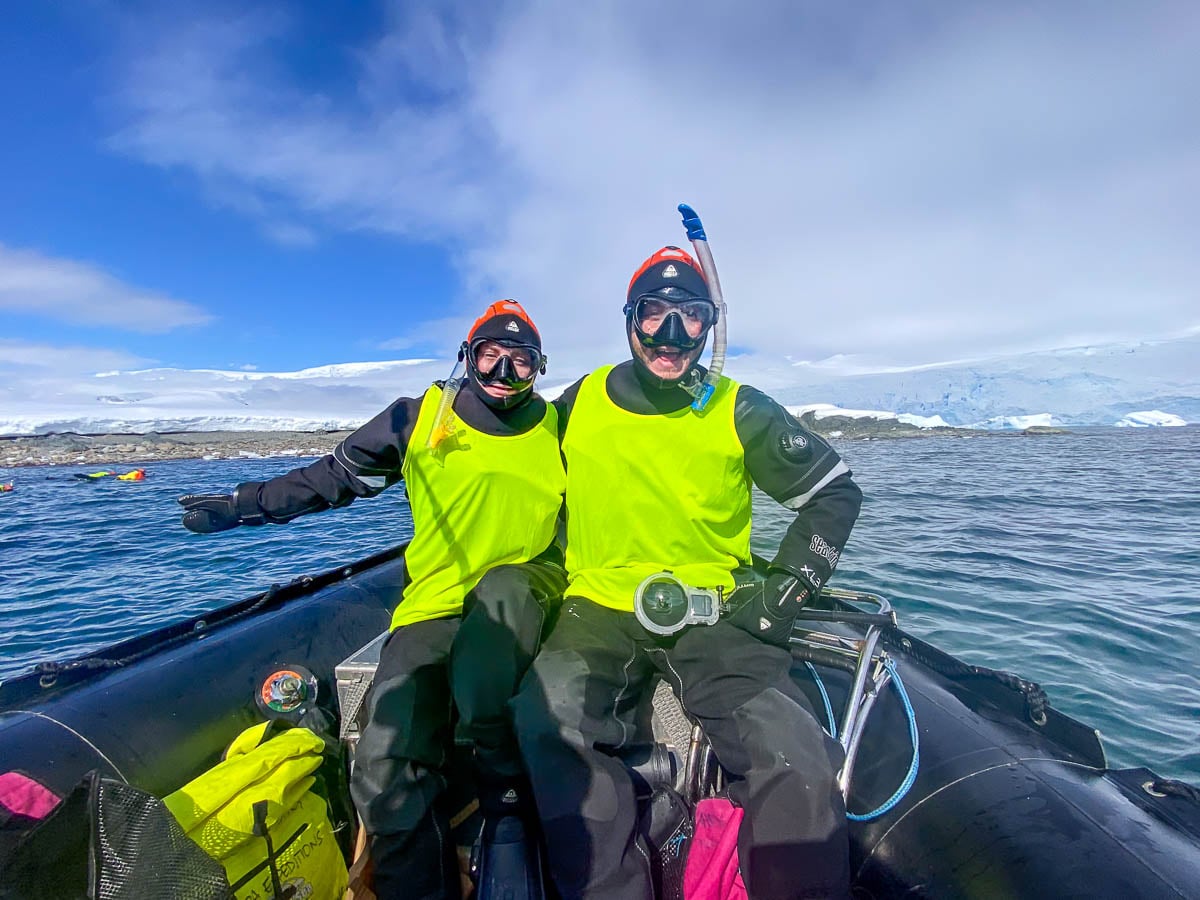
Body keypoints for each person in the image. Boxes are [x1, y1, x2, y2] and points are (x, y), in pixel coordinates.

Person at [178, 300, 566, 900]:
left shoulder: (559, 426)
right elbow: (332, 479)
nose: (505, 372)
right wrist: (245, 504)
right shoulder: (420, 419)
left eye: (521, 362)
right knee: (386, 757)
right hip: (435, 605)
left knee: (502, 609)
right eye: (491, 355)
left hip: (529, 597)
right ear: (467, 357)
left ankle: (511, 810)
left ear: (539, 368)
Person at [512, 246, 863, 899]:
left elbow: (834, 493)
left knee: (794, 756)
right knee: (547, 723)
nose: (671, 336)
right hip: (598, 609)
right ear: (630, 319)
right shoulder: (580, 401)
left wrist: (784, 595)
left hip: (714, 612)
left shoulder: (738, 407)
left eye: (690, 317)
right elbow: (506, 453)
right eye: (654, 314)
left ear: (710, 325)